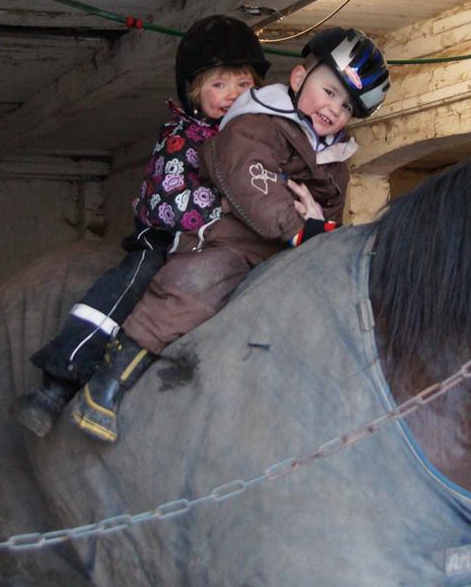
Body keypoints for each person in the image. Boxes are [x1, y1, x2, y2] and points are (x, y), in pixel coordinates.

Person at [69, 27, 391, 444]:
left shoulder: (336, 160)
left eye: (346, 106)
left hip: (290, 254)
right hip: (234, 242)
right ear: (297, 79)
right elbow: (253, 184)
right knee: (193, 286)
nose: (334, 109)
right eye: (329, 92)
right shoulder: (255, 124)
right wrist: (306, 229)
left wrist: (322, 234)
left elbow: (329, 219)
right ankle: (110, 378)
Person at [13, 15, 270, 437]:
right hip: (170, 240)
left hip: (226, 251)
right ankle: (60, 379)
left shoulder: (261, 141)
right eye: (218, 85)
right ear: (193, 91)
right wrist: (225, 216)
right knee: (130, 282)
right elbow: (169, 199)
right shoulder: (181, 137)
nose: (231, 96)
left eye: (242, 85)